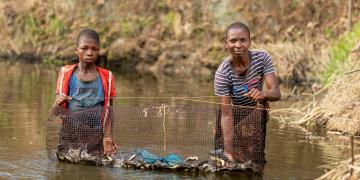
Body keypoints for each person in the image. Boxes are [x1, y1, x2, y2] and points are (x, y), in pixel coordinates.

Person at [214, 22, 281, 168]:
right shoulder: (222, 73)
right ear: (226, 44)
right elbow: (226, 114)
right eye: (233, 41)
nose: (238, 45)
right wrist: (228, 152)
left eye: (243, 40)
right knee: (229, 159)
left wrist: (263, 94)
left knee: (251, 158)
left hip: (255, 115)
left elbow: (276, 93)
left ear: (250, 42)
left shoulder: (262, 58)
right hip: (232, 115)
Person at [53, 28, 118, 162]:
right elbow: (55, 111)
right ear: (76, 50)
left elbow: (109, 111)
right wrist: (57, 102)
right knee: (67, 168)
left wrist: (107, 137)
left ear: (99, 51)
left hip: (95, 135)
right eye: (84, 48)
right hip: (70, 134)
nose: (89, 52)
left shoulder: (107, 77)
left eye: (94, 49)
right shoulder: (66, 73)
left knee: (95, 167)